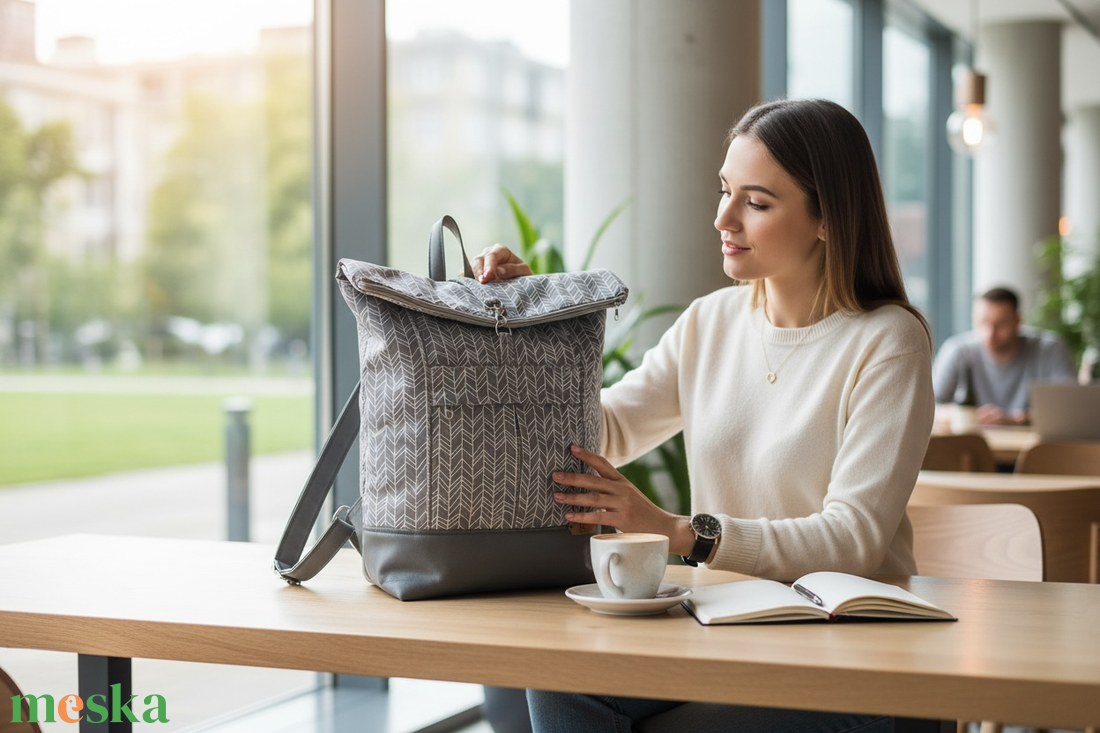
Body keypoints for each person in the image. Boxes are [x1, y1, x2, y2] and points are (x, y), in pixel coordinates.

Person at [473, 98, 934, 733]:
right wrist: (532, 322)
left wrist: (681, 532)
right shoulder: (710, 322)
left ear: (828, 218)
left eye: (756, 202)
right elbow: (602, 432)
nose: (723, 218)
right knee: (561, 679)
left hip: (850, 648)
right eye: (724, 191)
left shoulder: (889, 341)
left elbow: (851, 540)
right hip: (729, 623)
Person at [932, 287, 1076, 426]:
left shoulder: (1049, 349)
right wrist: (968, 416)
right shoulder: (957, 350)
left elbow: (1070, 407)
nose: (990, 333)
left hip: (1030, 441)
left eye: (1001, 324)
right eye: (982, 322)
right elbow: (929, 406)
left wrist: (1015, 420)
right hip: (973, 440)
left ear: (1018, 320)